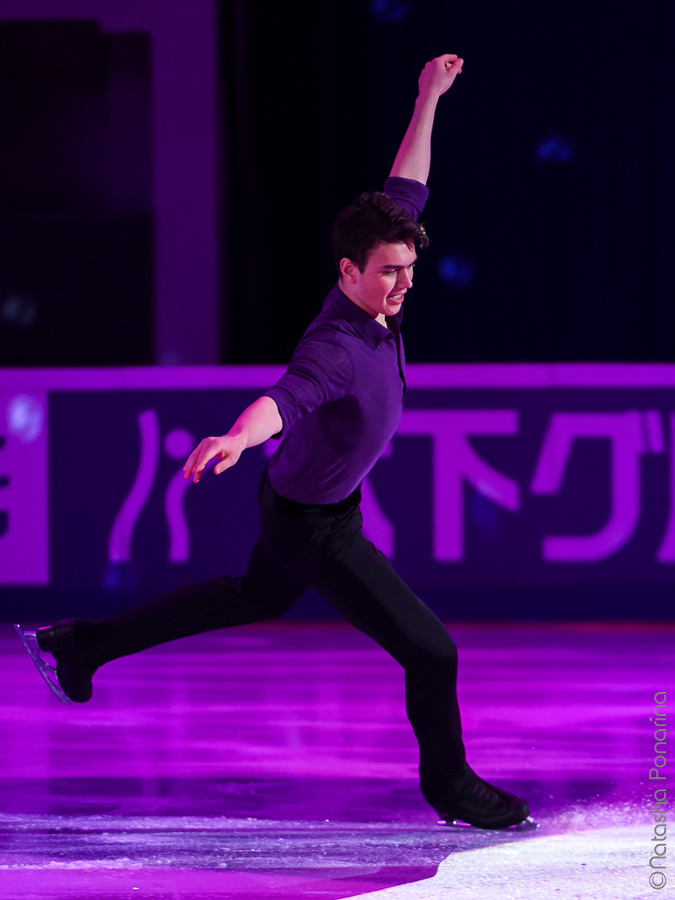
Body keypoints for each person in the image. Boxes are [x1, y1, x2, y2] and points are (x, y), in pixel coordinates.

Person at [16, 54, 533, 831]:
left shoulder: (376, 287)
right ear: (347, 271)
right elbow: (282, 401)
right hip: (312, 526)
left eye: (409, 269)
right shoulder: (335, 344)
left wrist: (426, 94)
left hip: (312, 504)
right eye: (389, 272)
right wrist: (235, 434)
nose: (404, 284)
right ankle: (450, 788)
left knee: (250, 596)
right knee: (432, 653)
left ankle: (78, 646)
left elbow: (405, 187)